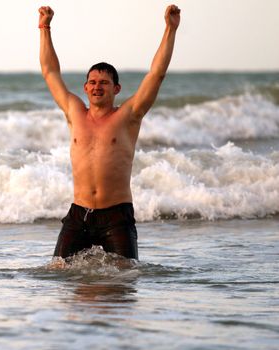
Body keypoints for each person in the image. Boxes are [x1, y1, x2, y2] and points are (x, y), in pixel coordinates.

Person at [38, 4, 181, 260]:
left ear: (116, 89)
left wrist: (170, 29)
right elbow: (50, 72)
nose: (97, 87)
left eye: (104, 82)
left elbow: (156, 75)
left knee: (124, 282)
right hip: (78, 214)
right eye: (92, 82)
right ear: (85, 87)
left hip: (116, 216)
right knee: (59, 274)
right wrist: (44, 27)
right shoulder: (74, 111)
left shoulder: (128, 116)